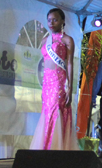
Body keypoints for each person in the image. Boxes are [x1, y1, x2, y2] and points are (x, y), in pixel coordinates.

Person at [29, 8, 78, 150]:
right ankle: (45, 147)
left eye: (55, 20)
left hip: (59, 81)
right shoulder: (45, 40)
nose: (51, 23)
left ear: (62, 21)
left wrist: (70, 86)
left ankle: (55, 147)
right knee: (47, 111)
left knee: (56, 110)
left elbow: (69, 63)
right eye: (49, 20)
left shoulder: (67, 40)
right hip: (47, 82)